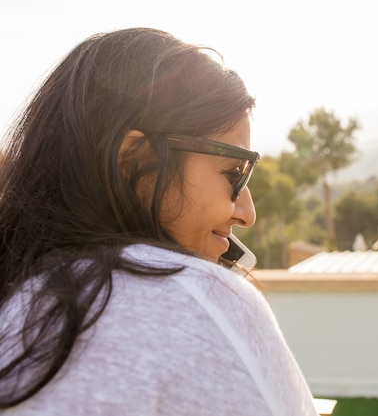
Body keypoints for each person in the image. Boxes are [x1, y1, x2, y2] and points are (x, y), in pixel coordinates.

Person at [0, 28, 318, 415]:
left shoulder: (21, 303)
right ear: (134, 160)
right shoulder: (197, 295)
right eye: (233, 173)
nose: (247, 213)